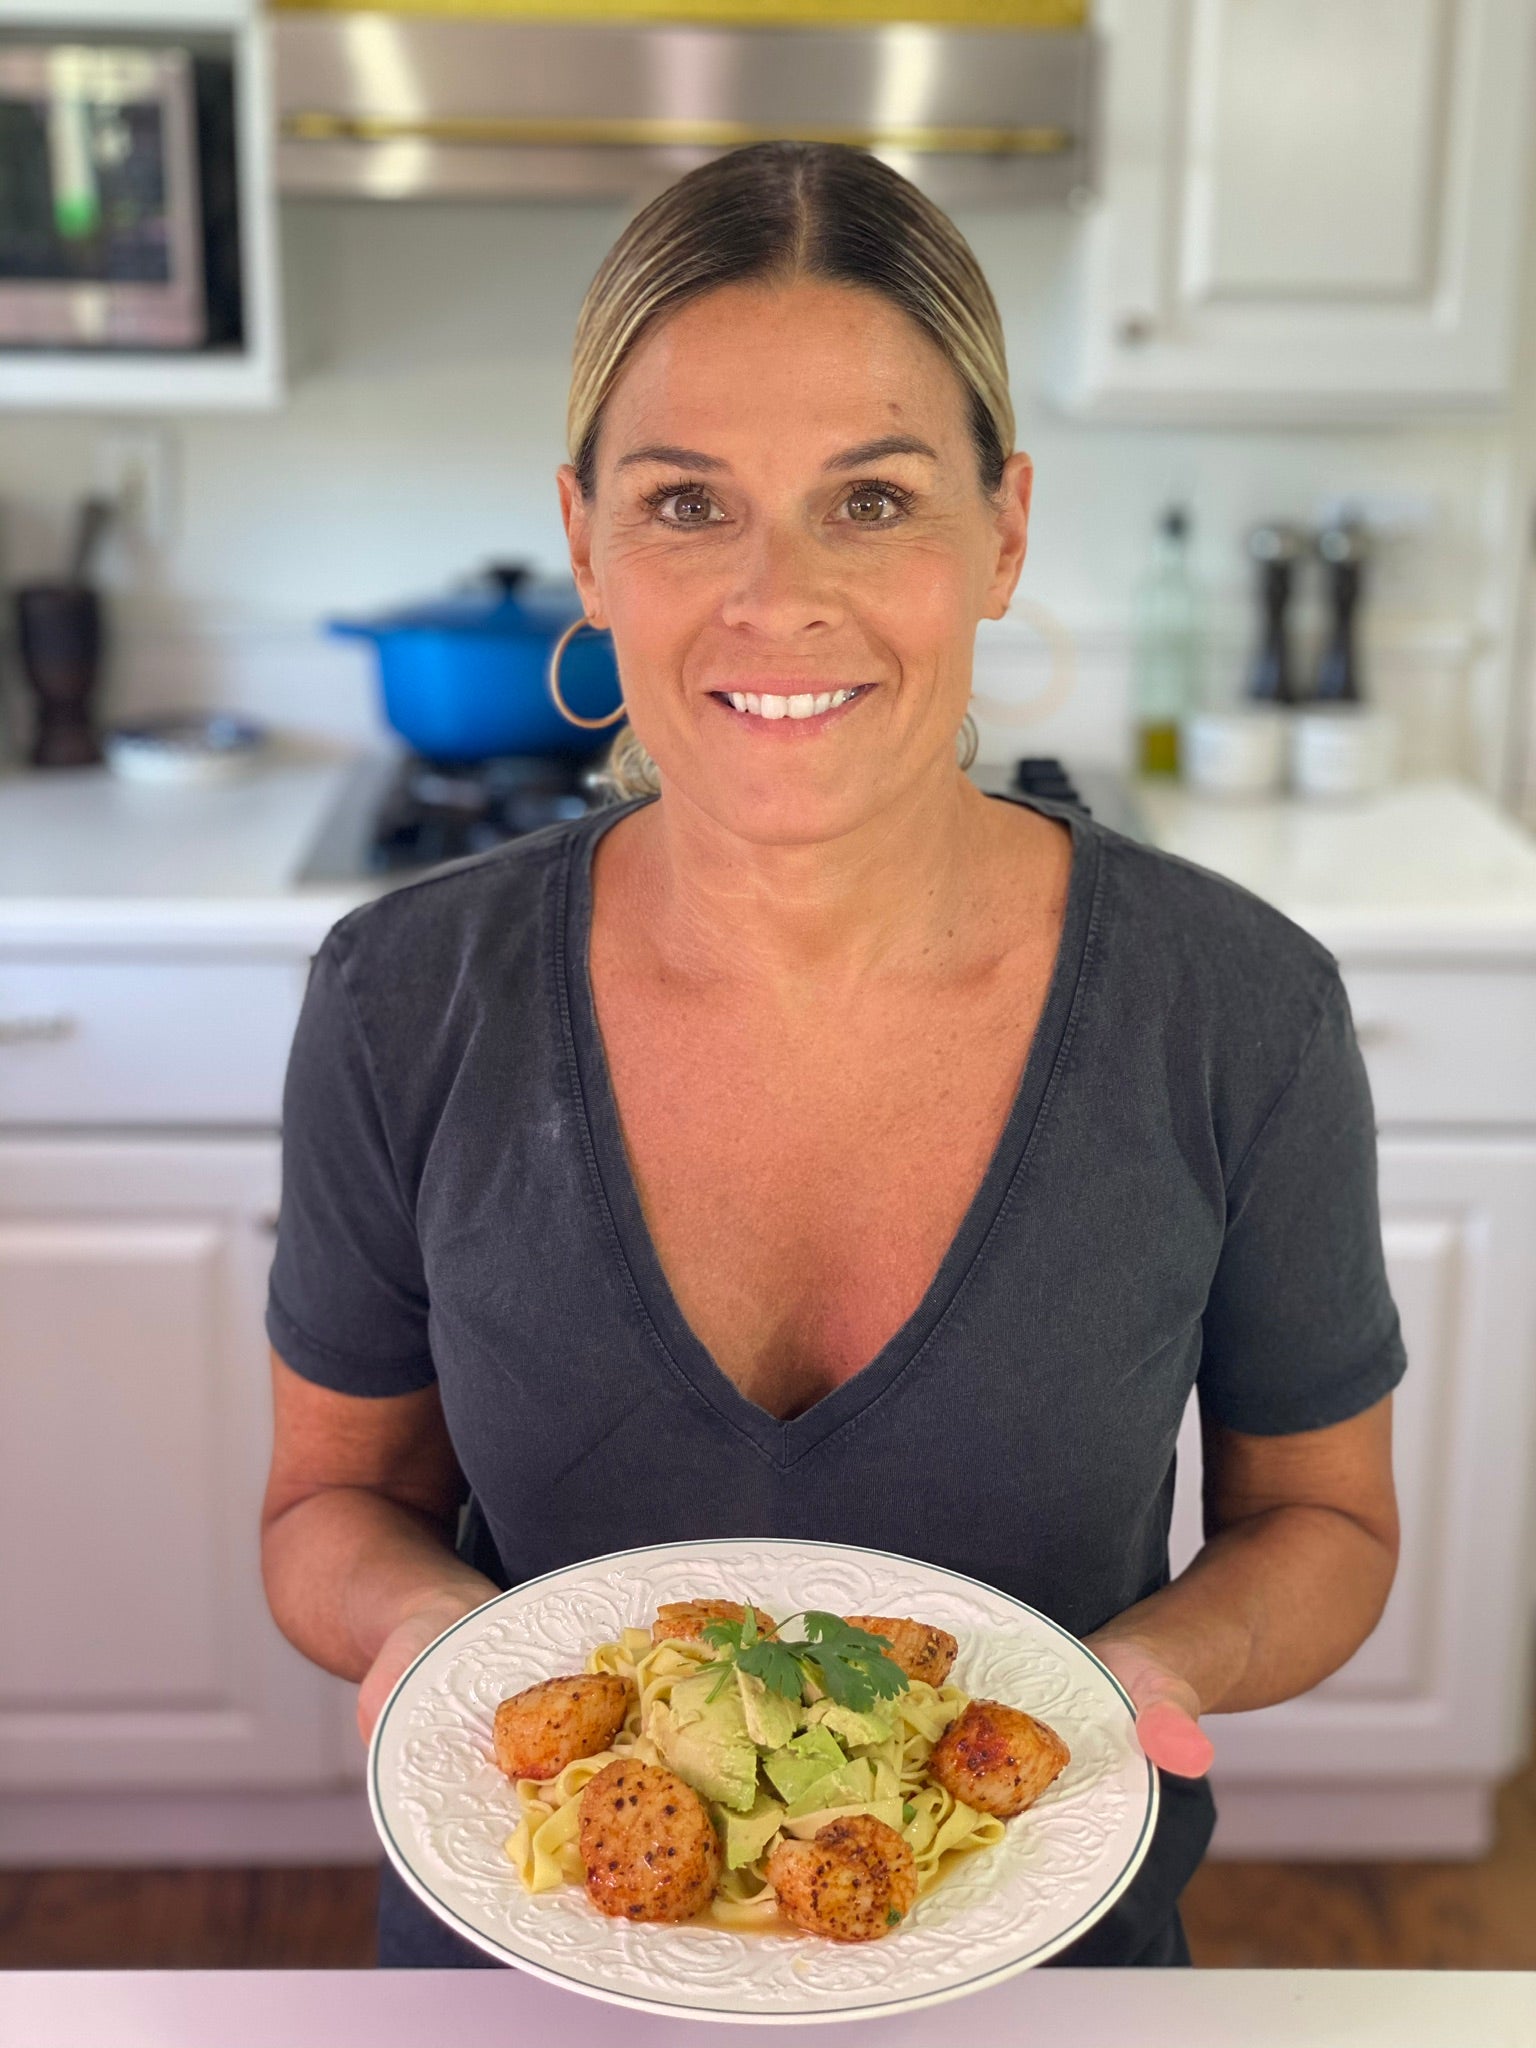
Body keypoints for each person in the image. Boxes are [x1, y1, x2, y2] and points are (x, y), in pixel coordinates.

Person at [261, 142, 1403, 1969]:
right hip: (530, 1970)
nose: (775, 598)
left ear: (1004, 531)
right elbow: (334, 1503)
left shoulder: (1236, 1006)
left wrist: (1148, 1679)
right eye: (687, 503)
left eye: (871, 501)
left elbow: (1326, 1523)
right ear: (584, 539)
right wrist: (427, 1648)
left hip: (1047, 1974)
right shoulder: (407, 996)